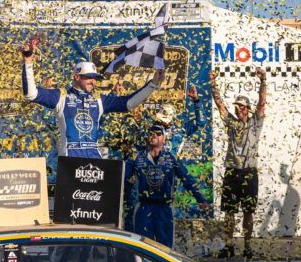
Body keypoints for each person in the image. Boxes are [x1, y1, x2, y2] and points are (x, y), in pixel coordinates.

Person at [21, 40, 165, 158]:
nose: (93, 81)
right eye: (89, 77)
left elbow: (127, 103)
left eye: (95, 78)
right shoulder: (61, 96)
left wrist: (152, 85)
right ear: (77, 77)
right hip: (69, 160)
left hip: (94, 160)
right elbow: (31, 94)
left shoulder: (99, 100)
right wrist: (28, 61)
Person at [209, 68, 266, 259]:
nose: (239, 109)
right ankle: (229, 245)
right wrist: (213, 83)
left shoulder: (255, 123)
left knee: (248, 212)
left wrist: (263, 80)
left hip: (249, 172)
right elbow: (219, 104)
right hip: (232, 172)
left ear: (248, 109)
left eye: (242, 107)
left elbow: (262, 102)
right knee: (229, 212)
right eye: (237, 106)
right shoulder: (232, 124)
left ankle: (248, 246)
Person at [124, 124, 209, 248]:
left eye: (158, 133)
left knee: (165, 249)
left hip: (164, 208)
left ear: (164, 139)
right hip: (144, 206)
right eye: (151, 133)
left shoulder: (170, 158)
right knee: (142, 247)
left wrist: (200, 199)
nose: (154, 135)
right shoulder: (137, 157)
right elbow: (123, 178)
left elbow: (187, 179)